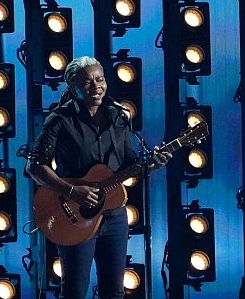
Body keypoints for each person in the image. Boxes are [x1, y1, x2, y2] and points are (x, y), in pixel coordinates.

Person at [25, 56, 171, 299]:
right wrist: (73, 191)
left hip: (114, 215)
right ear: (73, 87)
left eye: (100, 79)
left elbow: (129, 163)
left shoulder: (118, 117)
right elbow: (35, 166)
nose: (96, 86)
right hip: (73, 214)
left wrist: (152, 164)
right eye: (87, 82)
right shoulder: (60, 119)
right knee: (74, 291)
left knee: (114, 292)